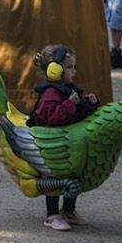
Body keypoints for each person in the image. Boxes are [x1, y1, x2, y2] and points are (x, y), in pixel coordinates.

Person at [27, 44, 100, 230]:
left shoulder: (67, 89)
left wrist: (89, 105)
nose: (73, 71)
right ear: (54, 70)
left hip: (66, 143)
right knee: (54, 176)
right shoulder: (50, 93)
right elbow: (51, 119)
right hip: (50, 145)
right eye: (69, 67)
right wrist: (69, 103)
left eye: (74, 67)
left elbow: (74, 115)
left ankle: (69, 210)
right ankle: (51, 215)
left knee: (73, 175)